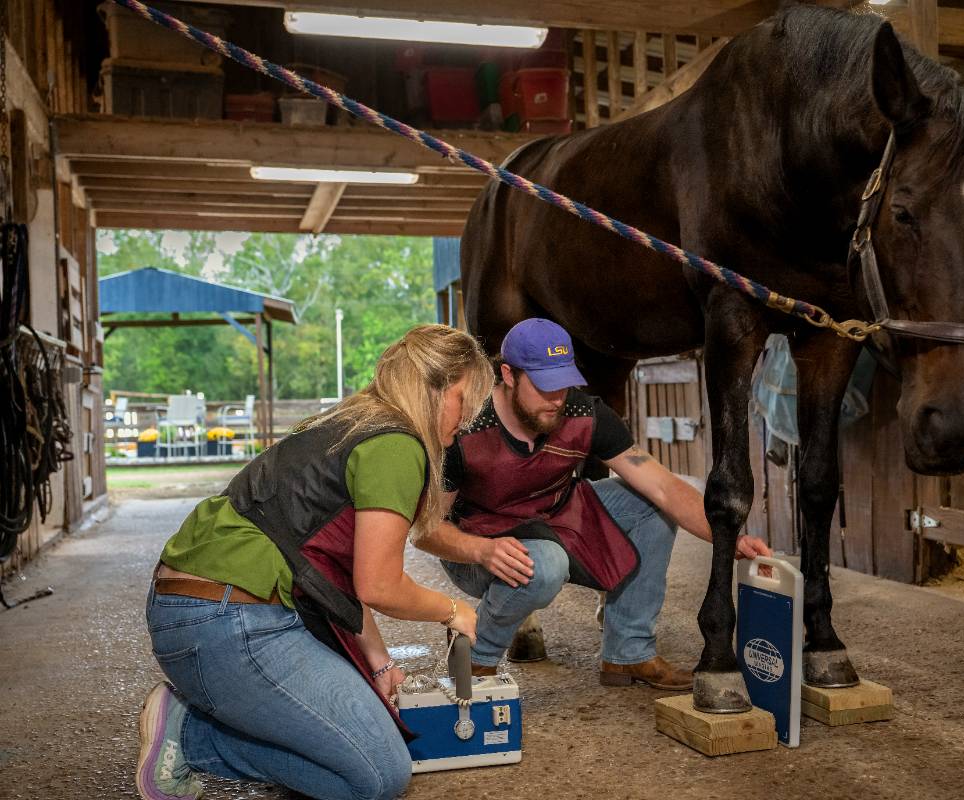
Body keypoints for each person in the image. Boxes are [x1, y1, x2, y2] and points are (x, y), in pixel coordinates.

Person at [137, 324, 494, 800]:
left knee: (363, 735)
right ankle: (190, 737)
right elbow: (380, 586)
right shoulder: (397, 444)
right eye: (464, 400)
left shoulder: (348, 423)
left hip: (193, 609)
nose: (466, 420)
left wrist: (379, 663)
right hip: (231, 621)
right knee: (378, 775)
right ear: (435, 388)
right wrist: (453, 610)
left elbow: (336, 571)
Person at [416, 318, 771, 691]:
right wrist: (482, 551)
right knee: (544, 565)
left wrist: (727, 537)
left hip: (557, 516)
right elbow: (426, 530)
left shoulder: (584, 413)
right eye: (544, 386)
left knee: (652, 506)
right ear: (508, 375)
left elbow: (664, 487)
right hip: (482, 541)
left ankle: (629, 653)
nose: (557, 398)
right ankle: (476, 657)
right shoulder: (466, 427)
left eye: (564, 384)